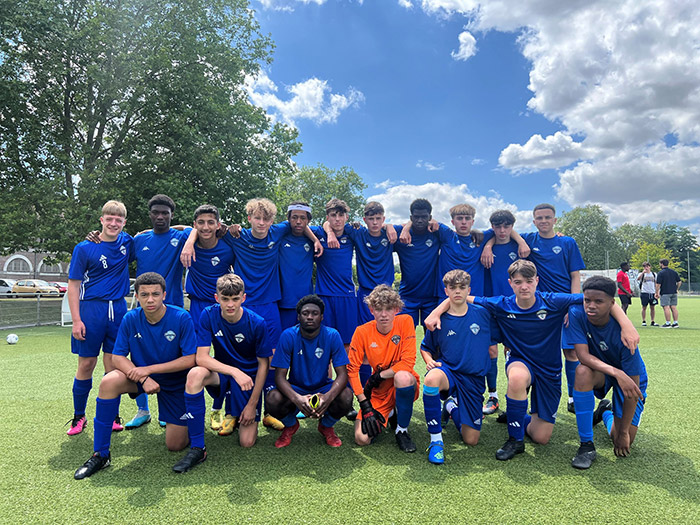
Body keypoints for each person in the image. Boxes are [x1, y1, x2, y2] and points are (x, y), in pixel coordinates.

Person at [424, 260, 638, 461]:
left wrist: (626, 323)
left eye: (528, 281)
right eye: (518, 282)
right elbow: (460, 297)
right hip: (520, 361)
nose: (523, 286)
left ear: (537, 280)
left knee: (541, 437)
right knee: (516, 377)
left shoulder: (553, 301)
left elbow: (594, 298)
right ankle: (514, 440)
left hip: (549, 370)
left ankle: (517, 417)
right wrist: (436, 311)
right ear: (510, 284)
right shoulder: (501, 304)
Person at [74, 273, 196, 479]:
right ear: (137, 296)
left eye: (155, 294)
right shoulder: (130, 318)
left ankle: (184, 420)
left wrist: (149, 371)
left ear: (164, 295)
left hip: (175, 382)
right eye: (145, 294)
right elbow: (118, 357)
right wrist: (144, 378)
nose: (150, 299)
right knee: (109, 381)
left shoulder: (181, 317)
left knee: (175, 445)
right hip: (140, 378)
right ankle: (100, 454)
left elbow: (190, 359)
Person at [483, 203, 585, 413]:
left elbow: (575, 276)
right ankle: (516, 401)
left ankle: (573, 397)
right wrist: (488, 245)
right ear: (533, 221)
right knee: (519, 351)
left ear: (555, 220)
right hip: (537, 306)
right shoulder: (529, 239)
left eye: (548, 217)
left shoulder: (567, 242)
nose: (544, 221)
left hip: (562, 305)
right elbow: (505, 233)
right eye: (539, 218)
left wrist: (571, 307)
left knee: (571, 351)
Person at [173, 274, 271, 473]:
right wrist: (234, 371)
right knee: (195, 374)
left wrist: (252, 405)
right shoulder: (208, 315)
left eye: (235, 299)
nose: (230, 304)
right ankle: (198, 447)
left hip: (248, 379)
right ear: (217, 298)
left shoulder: (257, 323)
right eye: (225, 299)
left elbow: (264, 366)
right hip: (224, 375)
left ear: (243, 298)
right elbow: (201, 357)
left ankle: (237, 413)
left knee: (247, 442)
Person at [66, 200, 135, 436]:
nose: (114, 223)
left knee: (113, 365)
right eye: (109, 218)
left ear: (124, 223)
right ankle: (78, 416)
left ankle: (111, 415)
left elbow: (158, 231)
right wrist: (76, 320)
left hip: (117, 310)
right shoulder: (84, 248)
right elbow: (73, 286)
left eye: (119, 220)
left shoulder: (127, 242)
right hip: (90, 310)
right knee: (86, 363)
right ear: (101, 220)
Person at [567, 276, 647, 469]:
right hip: (602, 371)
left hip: (631, 378)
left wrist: (623, 433)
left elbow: (631, 390)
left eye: (598, 302)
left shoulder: (626, 337)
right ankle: (586, 444)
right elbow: (583, 356)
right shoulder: (576, 313)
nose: (591, 306)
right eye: (587, 300)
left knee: (620, 437)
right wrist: (616, 373)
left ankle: (605, 412)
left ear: (612, 303)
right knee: (582, 371)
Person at [419, 270, 499, 464]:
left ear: (468, 290)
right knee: (431, 378)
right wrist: (428, 360)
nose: (457, 292)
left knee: (471, 440)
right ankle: (436, 441)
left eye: (462, 287)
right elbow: (425, 348)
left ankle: (450, 406)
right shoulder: (439, 320)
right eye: (453, 288)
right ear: (446, 290)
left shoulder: (483, 314)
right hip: (449, 372)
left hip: (473, 379)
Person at [265, 295, 354, 448]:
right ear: (298, 317)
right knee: (272, 399)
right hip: (297, 387)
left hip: (322, 387)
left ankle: (326, 426)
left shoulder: (332, 335)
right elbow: (280, 377)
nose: (310, 317)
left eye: (314, 313)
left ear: (322, 317)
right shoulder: (288, 335)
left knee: (346, 396)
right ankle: (291, 425)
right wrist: (297, 398)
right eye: (305, 313)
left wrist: (327, 397)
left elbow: (342, 374)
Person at [182, 204, 237, 434]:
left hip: (224, 307)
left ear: (218, 225)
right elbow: (178, 227)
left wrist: (233, 228)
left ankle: (228, 410)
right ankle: (206, 410)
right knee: (199, 361)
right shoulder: (188, 238)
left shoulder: (228, 246)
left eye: (210, 222)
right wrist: (188, 240)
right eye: (200, 223)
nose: (206, 227)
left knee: (229, 358)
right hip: (197, 307)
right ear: (195, 225)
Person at [348, 285, 420, 452]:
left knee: (403, 377)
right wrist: (364, 404)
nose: (384, 314)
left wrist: (378, 376)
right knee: (361, 439)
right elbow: (352, 370)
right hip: (379, 391)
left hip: (403, 383)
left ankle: (402, 430)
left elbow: (408, 362)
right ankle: (392, 413)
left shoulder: (406, 321)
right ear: (372, 310)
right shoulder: (362, 332)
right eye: (379, 309)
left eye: (388, 309)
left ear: (396, 309)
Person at [325, 201, 396, 324]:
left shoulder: (390, 233)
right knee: (364, 331)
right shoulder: (358, 233)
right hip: (365, 292)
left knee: (388, 332)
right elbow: (328, 223)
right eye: (371, 218)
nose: (375, 222)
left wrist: (389, 226)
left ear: (383, 219)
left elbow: (410, 225)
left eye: (378, 219)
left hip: (387, 292)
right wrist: (330, 233)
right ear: (364, 219)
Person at [481, 209, 521, 415]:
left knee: (512, 351)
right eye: (498, 226)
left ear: (513, 227)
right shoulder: (485, 242)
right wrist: (488, 244)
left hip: (515, 307)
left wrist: (521, 241)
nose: (502, 230)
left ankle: (514, 397)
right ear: (492, 227)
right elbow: (486, 235)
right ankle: (493, 396)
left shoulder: (522, 245)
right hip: (490, 305)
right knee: (490, 351)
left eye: (507, 226)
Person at [393, 198, 441, 328]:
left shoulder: (437, 234)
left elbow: (460, 234)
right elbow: (382, 228)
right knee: (402, 339)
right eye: (416, 217)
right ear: (411, 217)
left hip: (431, 298)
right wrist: (406, 227)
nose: (420, 220)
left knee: (434, 342)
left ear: (430, 217)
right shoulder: (401, 236)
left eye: (424, 217)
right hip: (407, 297)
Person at [278, 203, 315, 331]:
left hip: (307, 303)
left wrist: (315, 240)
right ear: (288, 219)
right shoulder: (280, 236)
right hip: (284, 303)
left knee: (306, 342)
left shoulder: (313, 238)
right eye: (294, 217)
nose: (298, 221)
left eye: (303, 218)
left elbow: (328, 227)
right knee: (285, 342)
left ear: (308, 220)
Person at [656, 258, 681, 328]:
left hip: (665, 292)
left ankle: (668, 323)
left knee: (666, 307)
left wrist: (656, 292)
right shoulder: (674, 272)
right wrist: (676, 289)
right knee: (673, 307)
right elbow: (679, 282)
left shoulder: (661, 273)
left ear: (662, 264)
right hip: (673, 292)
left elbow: (658, 284)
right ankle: (675, 323)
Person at [637, 262, 658, 326]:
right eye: (644, 267)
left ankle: (652, 321)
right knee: (644, 307)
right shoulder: (642, 274)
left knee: (652, 307)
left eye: (647, 266)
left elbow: (656, 283)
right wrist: (643, 273)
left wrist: (657, 292)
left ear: (650, 267)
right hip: (644, 292)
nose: (646, 268)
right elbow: (638, 279)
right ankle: (644, 321)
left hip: (652, 292)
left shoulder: (654, 274)